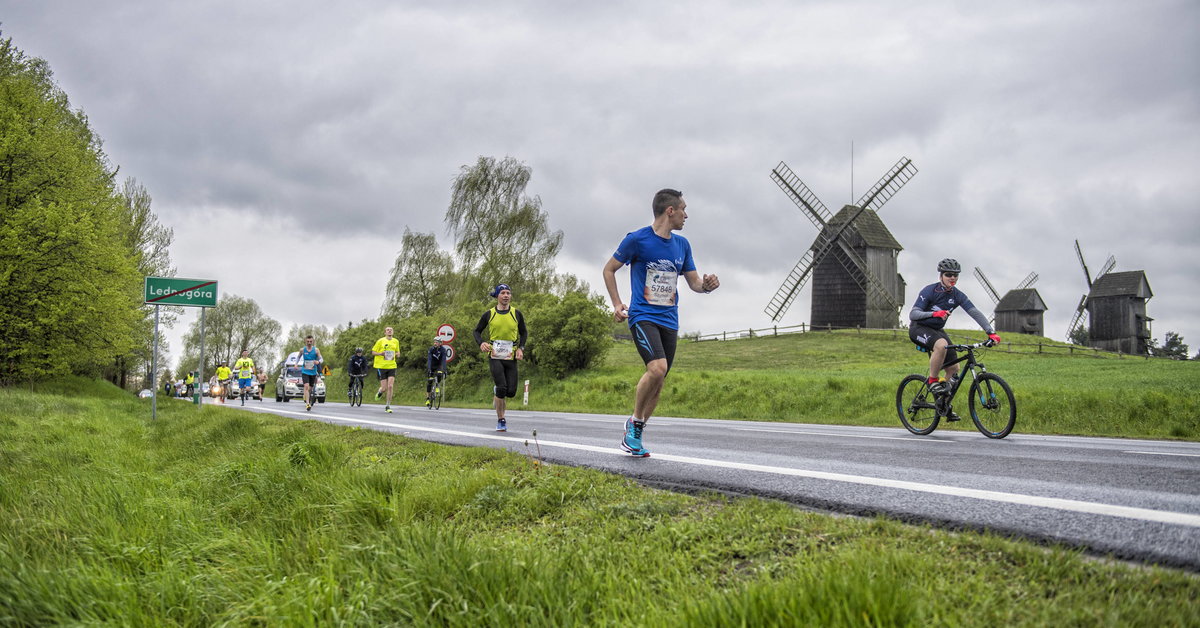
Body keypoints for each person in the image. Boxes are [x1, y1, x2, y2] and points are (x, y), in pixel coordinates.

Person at [602, 188, 719, 457]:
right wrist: (617, 303)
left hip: (670, 319)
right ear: (670, 211)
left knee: (660, 379)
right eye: (683, 209)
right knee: (657, 368)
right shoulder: (637, 240)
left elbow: (694, 283)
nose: (686, 215)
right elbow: (609, 269)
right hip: (643, 316)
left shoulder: (682, 245)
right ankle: (633, 421)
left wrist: (708, 286)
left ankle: (637, 430)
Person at [909, 258, 1002, 421]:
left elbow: (974, 312)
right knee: (942, 345)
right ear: (941, 276)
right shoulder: (929, 291)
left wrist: (990, 332)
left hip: (937, 330)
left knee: (954, 369)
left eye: (955, 276)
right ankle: (932, 380)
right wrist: (934, 314)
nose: (952, 278)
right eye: (948, 275)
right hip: (919, 327)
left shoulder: (957, 295)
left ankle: (943, 405)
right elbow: (913, 314)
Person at [473, 284, 527, 432]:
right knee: (502, 389)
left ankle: (497, 390)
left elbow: (524, 333)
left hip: (511, 357)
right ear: (497, 296)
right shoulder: (489, 314)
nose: (506, 296)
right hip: (495, 356)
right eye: (502, 293)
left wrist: (521, 349)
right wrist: (481, 343)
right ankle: (501, 419)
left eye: (508, 293)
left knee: (511, 392)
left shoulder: (516, 314)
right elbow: (477, 331)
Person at [372, 326, 400, 413]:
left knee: (390, 386)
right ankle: (380, 392)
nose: (389, 331)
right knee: (384, 388)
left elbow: (398, 353)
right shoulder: (380, 341)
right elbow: (373, 352)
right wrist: (381, 353)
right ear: (385, 332)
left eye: (391, 330)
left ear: (393, 332)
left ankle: (388, 405)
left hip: (392, 366)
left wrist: (395, 355)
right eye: (388, 330)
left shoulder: (396, 341)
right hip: (382, 366)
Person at [296, 335, 324, 411]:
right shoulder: (302, 350)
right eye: (308, 341)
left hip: (313, 372)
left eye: (310, 341)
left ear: (313, 341)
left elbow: (321, 359)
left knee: (310, 388)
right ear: (305, 341)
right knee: (306, 386)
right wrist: (296, 364)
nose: (309, 343)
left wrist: (318, 361)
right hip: (305, 371)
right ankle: (307, 404)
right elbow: (298, 357)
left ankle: (306, 396)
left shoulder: (316, 350)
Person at [425, 337, 449, 407]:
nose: (435, 343)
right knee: (429, 382)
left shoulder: (443, 350)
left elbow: (444, 360)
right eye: (434, 342)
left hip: (439, 365)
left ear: (440, 343)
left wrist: (444, 370)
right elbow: (429, 359)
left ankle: (437, 385)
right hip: (432, 366)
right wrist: (429, 369)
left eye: (436, 342)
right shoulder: (431, 349)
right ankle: (427, 399)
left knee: (439, 374)